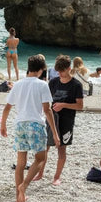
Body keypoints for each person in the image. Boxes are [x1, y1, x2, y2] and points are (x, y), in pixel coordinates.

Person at [0, 54, 61, 202]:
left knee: (21, 163)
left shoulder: (18, 84)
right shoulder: (42, 85)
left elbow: (8, 107)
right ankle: (24, 186)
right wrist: (54, 132)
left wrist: (3, 125)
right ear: (41, 70)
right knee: (41, 158)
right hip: (35, 124)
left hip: (20, 125)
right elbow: (47, 110)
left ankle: (18, 197)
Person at [35, 55, 84, 186]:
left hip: (66, 120)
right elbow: (46, 101)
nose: (60, 74)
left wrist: (63, 105)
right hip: (51, 119)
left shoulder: (76, 85)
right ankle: (40, 173)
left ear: (69, 69)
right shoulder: (53, 82)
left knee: (61, 149)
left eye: (62, 71)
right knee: (45, 147)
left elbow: (80, 106)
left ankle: (57, 177)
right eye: (58, 71)